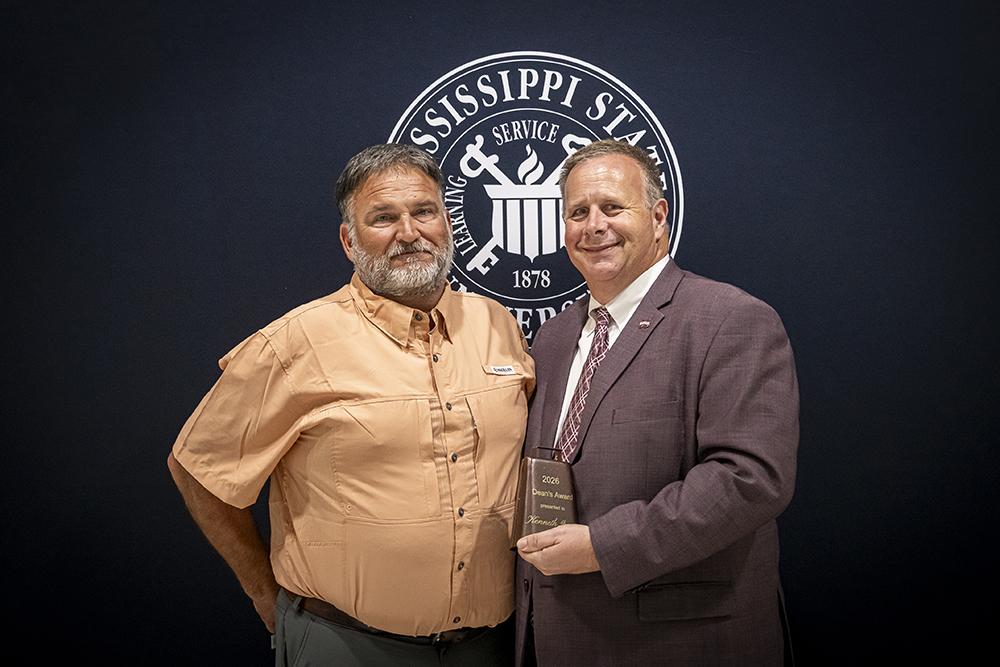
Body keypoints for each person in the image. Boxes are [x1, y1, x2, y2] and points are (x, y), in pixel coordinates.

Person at [167, 143, 534, 666]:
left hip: (491, 646)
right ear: (349, 239)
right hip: (347, 645)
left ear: (447, 222)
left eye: (423, 212)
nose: (409, 233)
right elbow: (199, 470)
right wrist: (264, 595)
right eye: (383, 217)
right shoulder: (296, 343)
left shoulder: (497, 325)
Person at [514, 139, 799, 665]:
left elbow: (750, 479)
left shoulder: (730, 320)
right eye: (577, 212)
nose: (593, 225)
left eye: (612, 207)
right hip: (558, 637)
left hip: (679, 641)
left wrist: (604, 546)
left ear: (659, 215)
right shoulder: (551, 339)